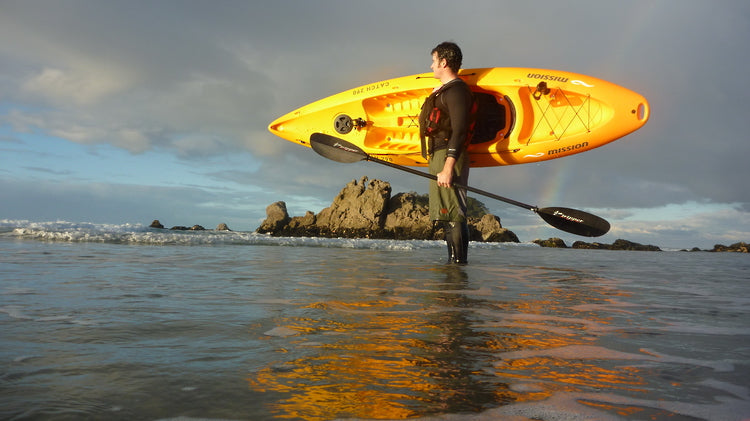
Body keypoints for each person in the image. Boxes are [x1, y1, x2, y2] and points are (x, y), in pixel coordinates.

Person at [419, 41, 474, 264]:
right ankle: (453, 268)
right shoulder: (444, 91)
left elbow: (460, 130)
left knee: (453, 213)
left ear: (443, 62)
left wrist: (448, 167)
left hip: (448, 156)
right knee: (446, 215)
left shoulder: (458, 91)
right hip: (439, 155)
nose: (431, 66)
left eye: (434, 61)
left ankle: (458, 268)